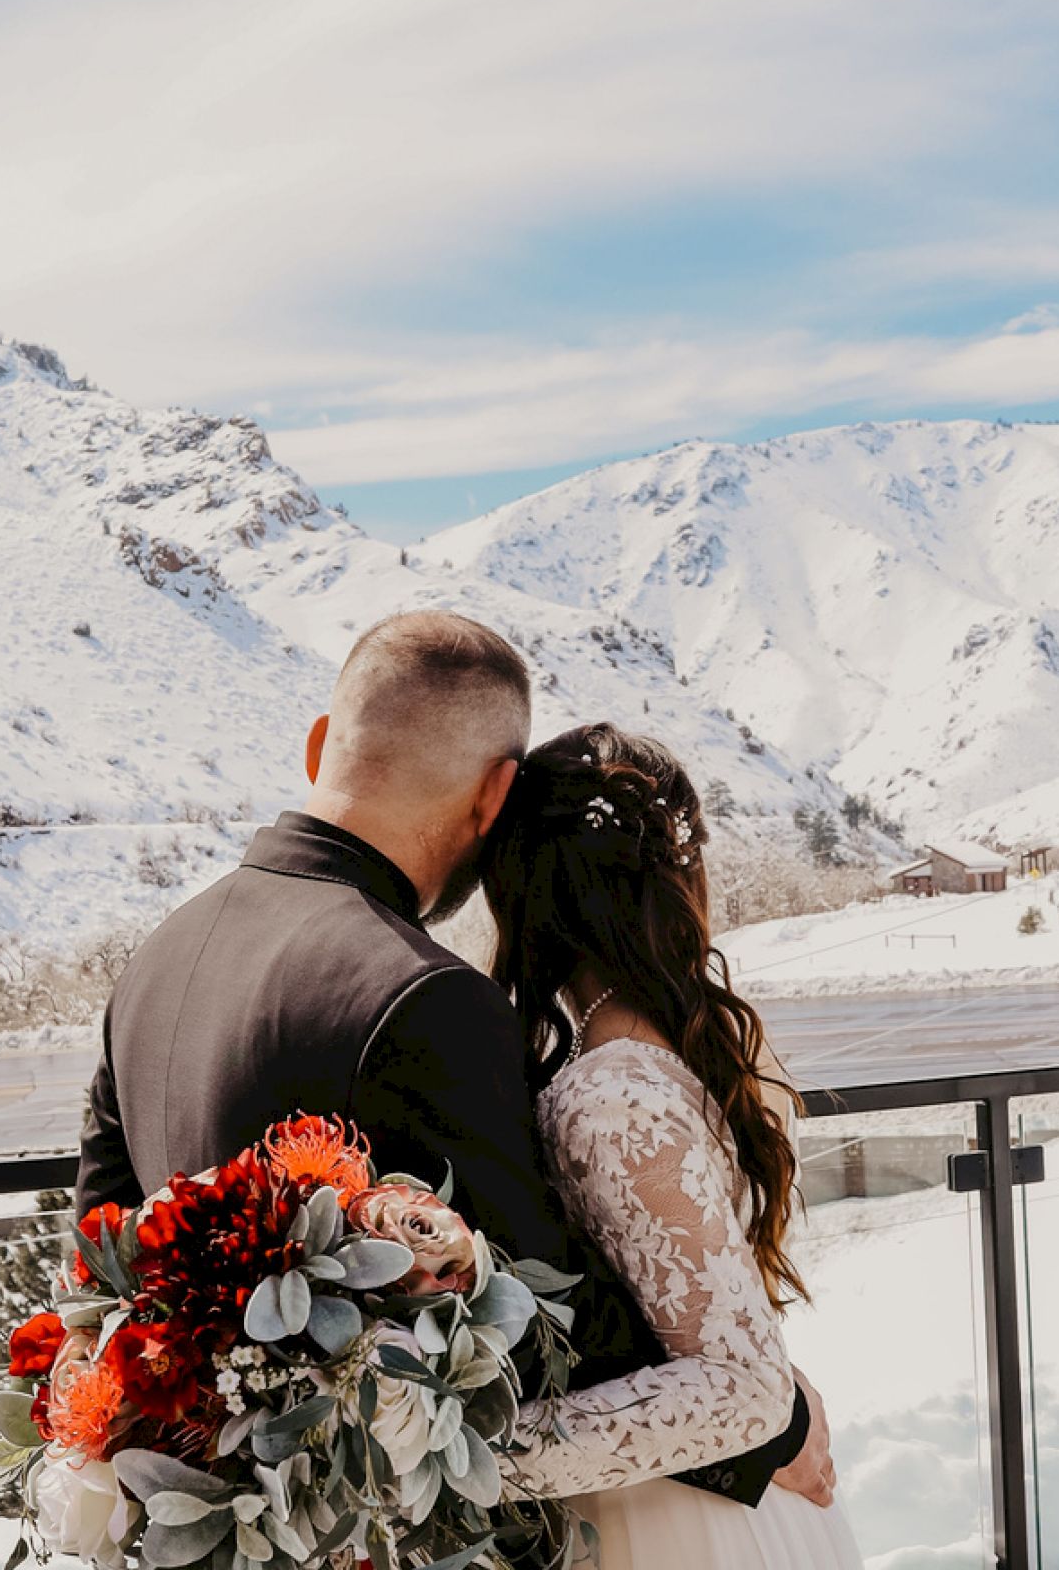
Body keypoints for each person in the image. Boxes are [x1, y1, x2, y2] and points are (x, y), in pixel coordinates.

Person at [75, 610, 825, 1514]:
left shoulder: (153, 963)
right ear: (496, 794)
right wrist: (769, 1419)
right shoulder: (425, 997)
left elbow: (99, 1273)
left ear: (319, 746)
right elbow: (547, 1325)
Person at [481, 721, 863, 1570]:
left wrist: (472, 1456)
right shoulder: (675, 1038)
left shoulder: (614, 1093)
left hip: (678, 1521)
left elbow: (739, 1386)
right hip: (707, 1497)